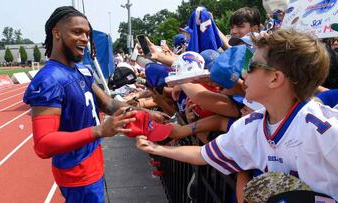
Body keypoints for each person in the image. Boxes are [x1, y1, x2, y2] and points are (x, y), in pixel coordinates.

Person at [136, 29, 338, 201]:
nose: (244, 74)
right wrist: (156, 148)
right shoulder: (251, 125)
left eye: (251, 66)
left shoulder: (326, 129)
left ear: (275, 79)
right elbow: (202, 154)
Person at [23, 6, 142, 203]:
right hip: (76, 171)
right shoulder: (49, 79)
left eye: (87, 33)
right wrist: (99, 131)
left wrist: (146, 113)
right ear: (57, 33)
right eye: (77, 32)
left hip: (92, 162)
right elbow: (43, 144)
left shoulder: (82, 70)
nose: (85, 39)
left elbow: (110, 105)